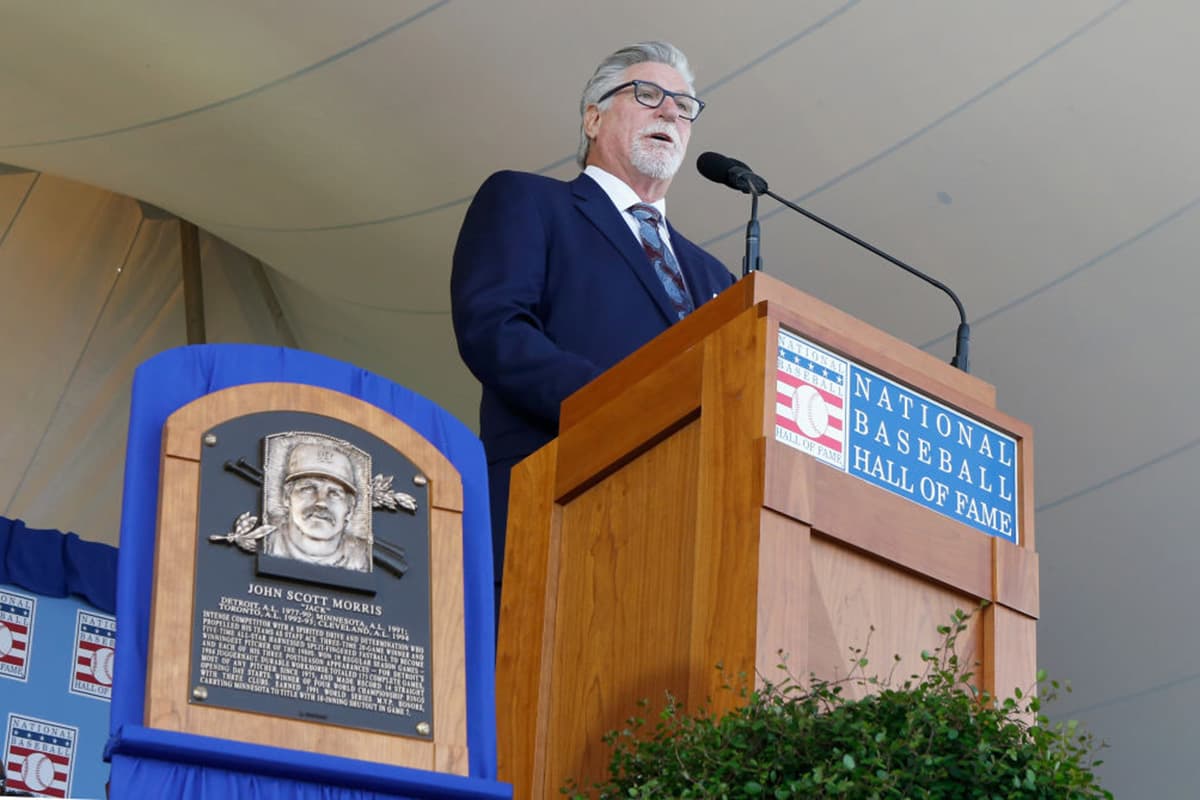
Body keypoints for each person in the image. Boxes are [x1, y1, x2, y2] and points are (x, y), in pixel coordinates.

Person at [451, 41, 736, 615]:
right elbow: (496, 328)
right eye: (649, 95)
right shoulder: (528, 200)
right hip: (551, 506)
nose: (670, 114)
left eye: (684, 106)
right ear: (592, 116)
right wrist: (619, 406)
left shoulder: (717, 277)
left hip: (678, 548)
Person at [262, 442, 371, 572]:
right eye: (308, 488)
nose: (322, 502)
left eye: (334, 493)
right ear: (287, 496)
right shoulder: (264, 543)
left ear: (350, 508)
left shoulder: (363, 557)